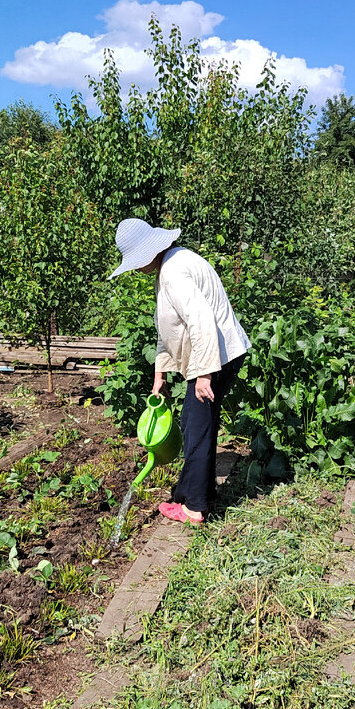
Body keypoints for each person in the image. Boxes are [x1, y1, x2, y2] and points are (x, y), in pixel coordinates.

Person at [108, 218, 250, 525]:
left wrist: (204, 374)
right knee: (195, 422)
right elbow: (169, 329)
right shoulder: (172, 264)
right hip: (216, 356)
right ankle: (195, 494)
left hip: (216, 358)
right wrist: (160, 374)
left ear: (147, 253)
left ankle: (195, 507)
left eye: (134, 262)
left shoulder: (173, 272)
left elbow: (201, 322)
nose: (134, 268)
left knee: (195, 427)